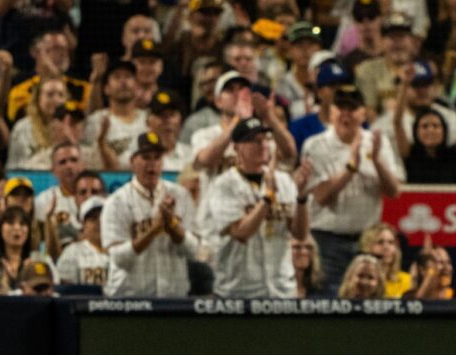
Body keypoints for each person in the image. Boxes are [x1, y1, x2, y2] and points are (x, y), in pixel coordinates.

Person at [300, 85, 403, 297]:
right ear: (331, 111)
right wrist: (350, 168)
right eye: (341, 107)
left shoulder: (377, 142)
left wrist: (376, 161)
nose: (346, 114)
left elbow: (394, 192)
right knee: (329, 299)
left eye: (352, 108)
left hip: (366, 239)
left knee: (370, 301)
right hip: (327, 239)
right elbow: (321, 197)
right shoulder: (316, 145)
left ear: (363, 112)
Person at [196, 117, 311, 298]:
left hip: (281, 289)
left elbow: (300, 234)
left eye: (265, 139)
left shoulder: (284, 181)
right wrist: (268, 198)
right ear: (237, 147)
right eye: (253, 140)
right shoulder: (224, 185)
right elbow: (241, 232)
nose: (262, 144)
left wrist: (302, 196)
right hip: (239, 290)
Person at [101, 131, 199, 297]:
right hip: (129, 298)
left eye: (157, 158)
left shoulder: (181, 195)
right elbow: (118, 259)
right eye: (146, 157)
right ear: (132, 161)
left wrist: (172, 225)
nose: (152, 164)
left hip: (173, 296)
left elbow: (192, 251)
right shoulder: (116, 202)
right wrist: (153, 231)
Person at [55, 196, 109, 287]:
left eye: (103, 217)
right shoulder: (72, 252)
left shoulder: (121, 249)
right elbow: (67, 290)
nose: (99, 222)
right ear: (83, 224)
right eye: (93, 219)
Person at [360, 223, 411, 299]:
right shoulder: (360, 281)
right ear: (367, 247)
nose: (386, 247)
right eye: (380, 242)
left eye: (391, 242)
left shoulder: (407, 280)